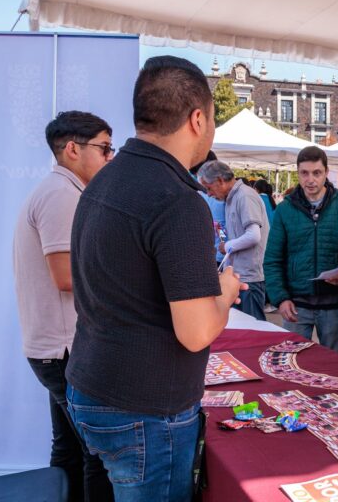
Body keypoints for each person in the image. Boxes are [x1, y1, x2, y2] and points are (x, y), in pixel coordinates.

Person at [65, 55, 244, 501]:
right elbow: (197, 330)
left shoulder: (104, 180)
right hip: (143, 407)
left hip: (92, 385)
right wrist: (225, 291)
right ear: (198, 119)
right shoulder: (177, 199)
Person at [13, 111, 114, 502]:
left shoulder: (62, 191)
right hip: (64, 350)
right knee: (97, 456)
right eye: (104, 148)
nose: (109, 157)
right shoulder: (61, 195)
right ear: (72, 149)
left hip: (57, 349)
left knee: (70, 450)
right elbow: (67, 278)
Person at [264, 146, 338, 352]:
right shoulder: (285, 209)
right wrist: (280, 298)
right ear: (297, 173)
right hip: (296, 304)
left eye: (316, 173)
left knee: (332, 365)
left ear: (326, 173)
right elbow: (273, 259)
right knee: (293, 365)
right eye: (304, 173)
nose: (310, 179)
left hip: (333, 303)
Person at [198, 161, 270, 321]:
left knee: (253, 333)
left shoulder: (244, 196)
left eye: (209, 188)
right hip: (240, 276)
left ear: (220, 180)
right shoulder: (234, 197)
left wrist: (227, 246)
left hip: (248, 278)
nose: (208, 194)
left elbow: (254, 235)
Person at [191, 150, 226, 264]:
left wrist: (222, 240)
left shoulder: (224, 196)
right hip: (210, 254)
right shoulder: (199, 193)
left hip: (220, 255)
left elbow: (220, 226)